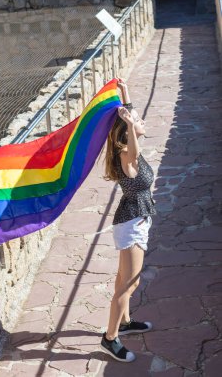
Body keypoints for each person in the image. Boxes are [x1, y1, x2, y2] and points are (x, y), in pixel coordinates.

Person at [100, 78, 156, 362]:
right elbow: (132, 145)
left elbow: (129, 117)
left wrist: (125, 93)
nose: (141, 119)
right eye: (137, 120)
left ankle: (124, 321)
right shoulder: (127, 155)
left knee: (124, 278)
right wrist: (130, 121)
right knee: (129, 284)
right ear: (129, 130)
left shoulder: (129, 148)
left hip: (136, 219)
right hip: (131, 222)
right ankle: (110, 338)